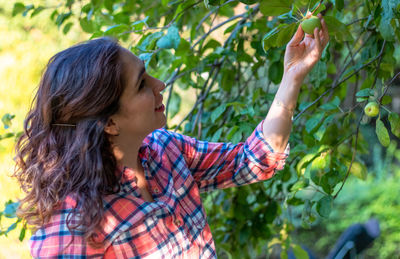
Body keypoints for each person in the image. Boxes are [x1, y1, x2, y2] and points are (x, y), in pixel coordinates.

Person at [13, 14, 329, 258]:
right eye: (141, 85)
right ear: (109, 122)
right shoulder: (72, 229)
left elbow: (255, 160)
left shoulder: (166, 151)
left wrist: (292, 76)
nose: (159, 84)